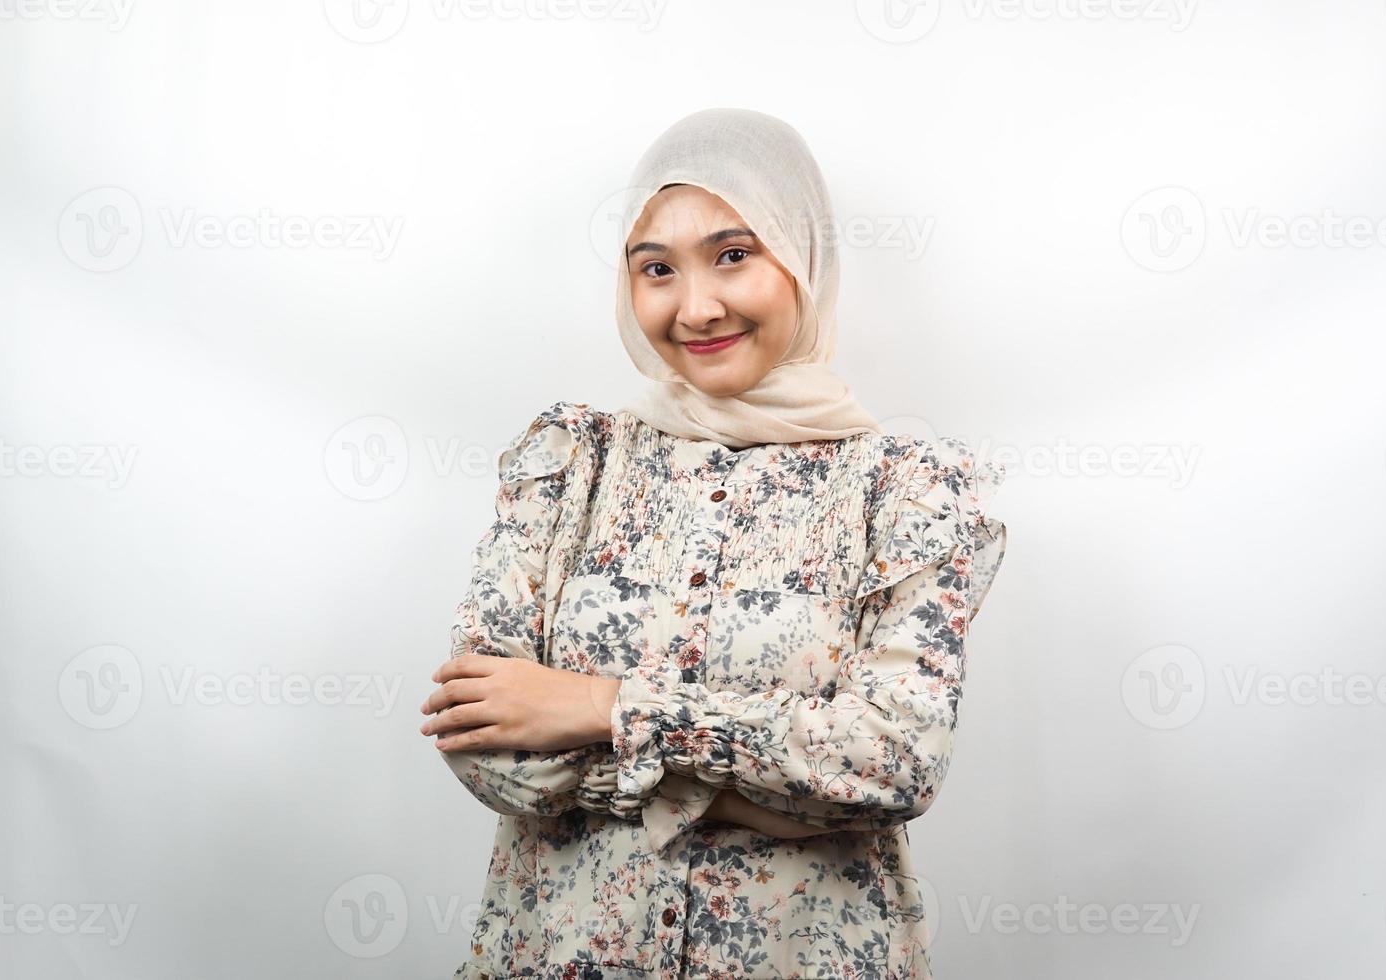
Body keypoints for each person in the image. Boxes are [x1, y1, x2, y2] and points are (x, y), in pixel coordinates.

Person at [419, 107, 1008, 980]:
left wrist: (603, 706)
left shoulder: (907, 488)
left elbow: (893, 762)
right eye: (657, 269)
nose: (696, 307)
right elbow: (489, 744)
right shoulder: (571, 462)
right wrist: (768, 789)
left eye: (735, 254)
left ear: (802, 259)